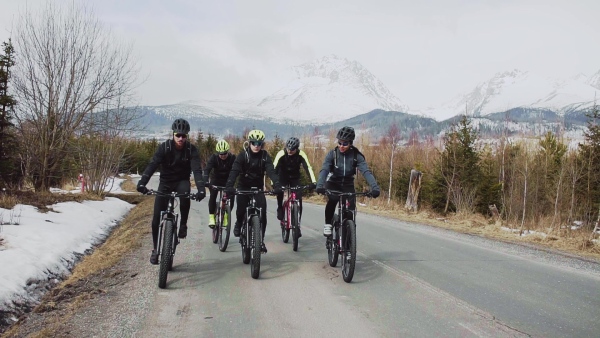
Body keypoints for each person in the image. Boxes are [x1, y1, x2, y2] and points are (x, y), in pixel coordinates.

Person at [136, 118, 206, 265]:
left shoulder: (191, 150)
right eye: (178, 135)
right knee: (156, 218)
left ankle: (183, 224)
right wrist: (142, 183)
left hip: (182, 181)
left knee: (185, 195)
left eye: (183, 135)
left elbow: (197, 171)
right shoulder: (164, 147)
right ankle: (155, 249)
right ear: (173, 134)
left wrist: (201, 189)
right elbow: (152, 165)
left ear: (187, 136)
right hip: (166, 183)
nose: (180, 138)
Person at [316, 126, 381, 236]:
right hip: (333, 183)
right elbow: (325, 170)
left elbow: (366, 172)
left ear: (350, 143)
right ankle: (328, 224)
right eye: (340, 142)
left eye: (345, 144)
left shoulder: (357, 156)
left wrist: (374, 187)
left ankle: (348, 246)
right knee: (332, 200)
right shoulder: (332, 154)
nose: (341, 146)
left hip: (348, 184)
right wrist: (320, 184)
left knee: (350, 213)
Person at [226, 129, 282, 254]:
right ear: (249, 143)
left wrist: (277, 185)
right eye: (253, 143)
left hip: (258, 189)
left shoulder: (265, 156)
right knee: (240, 210)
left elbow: (271, 171)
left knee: (263, 214)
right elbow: (234, 171)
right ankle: (239, 223)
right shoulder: (243, 155)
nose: (256, 146)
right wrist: (229, 185)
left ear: (262, 144)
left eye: (259, 143)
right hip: (243, 187)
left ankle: (260, 241)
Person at [272, 136, 317, 237]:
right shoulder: (281, 153)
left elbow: (308, 168)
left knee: (298, 199)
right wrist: (274, 183)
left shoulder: (301, 154)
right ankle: (280, 207)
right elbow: (274, 169)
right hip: (282, 177)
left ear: (296, 149)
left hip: (295, 178)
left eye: (292, 149)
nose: (289, 151)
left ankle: (297, 225)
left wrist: (313, 182)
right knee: (279, 191)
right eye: (288, 148)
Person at [203, 139, 236, 228]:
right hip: (216, 179)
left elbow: (237, 170)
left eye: (225, 153)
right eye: (221, 154)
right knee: (213, 195)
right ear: (218, 153)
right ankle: (211, 217)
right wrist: (206, 181)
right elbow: (207, 170)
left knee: (232, 196)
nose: (223, 156)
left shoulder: (232, 158)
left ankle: (226, 216)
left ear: (228, 152)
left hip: (228, 181)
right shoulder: (214, 158)